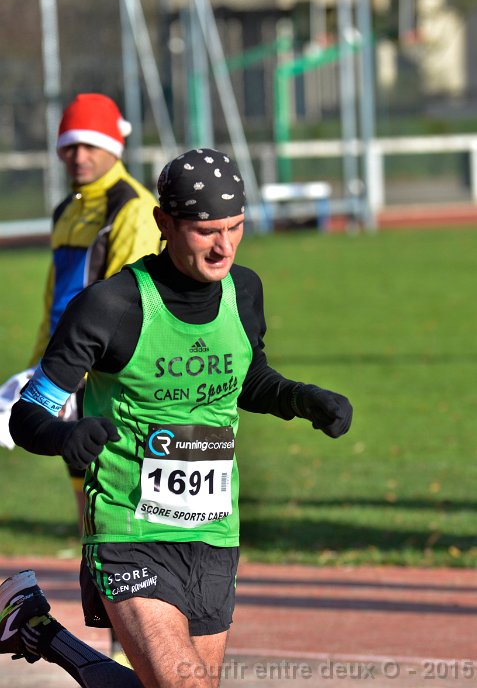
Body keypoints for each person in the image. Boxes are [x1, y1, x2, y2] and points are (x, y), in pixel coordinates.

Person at [2, 148, 352, 688]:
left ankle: (39, 631)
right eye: (206, 230)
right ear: (163, 223)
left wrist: (302, 399)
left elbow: (248, 378)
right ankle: (40, 631)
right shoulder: (109, 307)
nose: (224, 246)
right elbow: (28, 413)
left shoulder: (244, 291)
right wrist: (63, 436)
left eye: (235, 227)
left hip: (214, 528)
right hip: (129, 526)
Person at [0, 93, 161, 661]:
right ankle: (119, 647)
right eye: (69, 146)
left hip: (108, 385)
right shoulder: (66, 211)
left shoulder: (133, 208)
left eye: (90, 145)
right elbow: (55, 300)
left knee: (120, 518)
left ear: (114, 147)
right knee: (89, 515)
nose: (79, 156)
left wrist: (73, 377)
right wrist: (36, 374)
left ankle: (138, 646)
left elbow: (123, 304)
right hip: (67, 377)